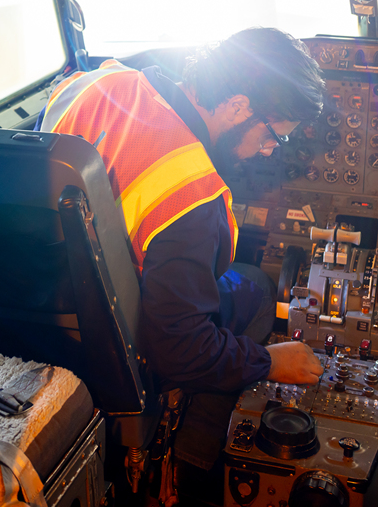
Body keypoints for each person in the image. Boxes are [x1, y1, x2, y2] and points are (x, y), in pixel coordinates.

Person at [39, 27, 326, 474]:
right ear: (238, 106)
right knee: (253, 287)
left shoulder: (98, 81)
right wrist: (269, 361)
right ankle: (191, 458)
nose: (270, 151)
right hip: (112, 344)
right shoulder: (193, 197)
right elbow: (181, 347)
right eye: (273, 136)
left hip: (36, 308)